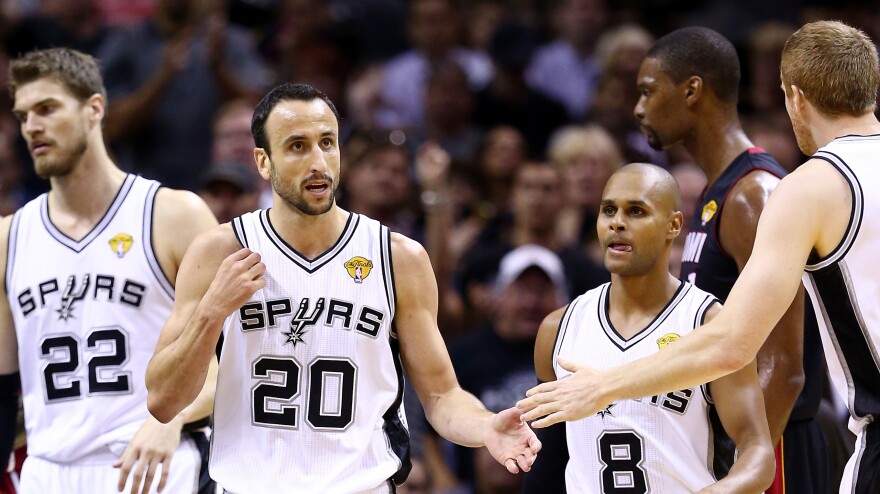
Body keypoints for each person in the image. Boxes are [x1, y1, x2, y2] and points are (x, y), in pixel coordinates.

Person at [518, 20, 880, 493]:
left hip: (797, 439)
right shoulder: (734, 190)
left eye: (648, 91)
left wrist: (604, 386)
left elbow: (746, 349)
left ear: (795, 98)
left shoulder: (796, 188)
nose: (639, 107)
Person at [144, 82, 541, 494]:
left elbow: (442, 397)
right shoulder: (219, 251)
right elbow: (162, 400)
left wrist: (485, 426)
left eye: (327, 143)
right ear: (263, 162)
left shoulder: (398, 259)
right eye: (297, 146)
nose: (318, 161)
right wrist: (211, 312)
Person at [0, 48, 219, 494]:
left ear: (94, 108)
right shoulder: (8, 238)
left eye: (47, 109)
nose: (32, 127)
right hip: (48, 469)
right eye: (23, 116)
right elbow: (3, 384)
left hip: (153, 461)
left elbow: (234, 360)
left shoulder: (172, 214)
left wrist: (172, 418)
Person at [631, 26, 827, 493]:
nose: (638, 108)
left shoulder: (753, 195)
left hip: (773, 445)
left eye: (648, 91)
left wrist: (739, 468)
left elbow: (784, 365)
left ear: (692, 90)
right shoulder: (720, 192)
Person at [524, 163, 774, 493]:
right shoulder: (558, 328)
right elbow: (547, 461)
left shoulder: (707, 323)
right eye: (608, 210)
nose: (617, 223)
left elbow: (758, 454)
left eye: (636, 211)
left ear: (673, 225)